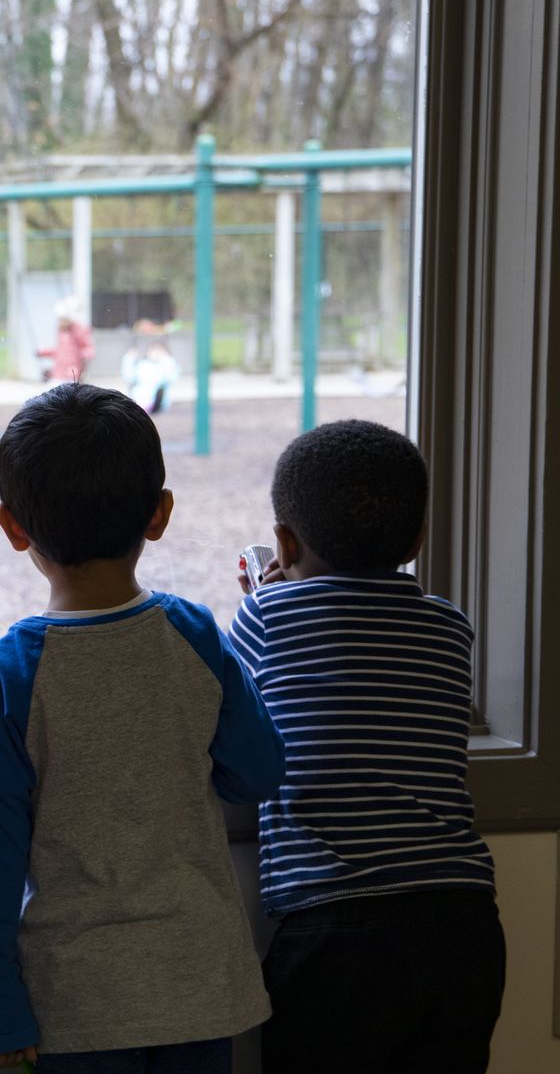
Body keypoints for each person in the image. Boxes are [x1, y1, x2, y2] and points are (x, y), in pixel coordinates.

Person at [0, 383, 285, 1072]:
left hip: (75, 1006)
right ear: (160, 514)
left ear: (13, 527)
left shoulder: (8, 673)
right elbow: (256, 771)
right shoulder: (193, 634)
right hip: (200, 986)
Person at [233, 420, 503, 1073]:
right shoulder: (450, 627)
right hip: (462, 923)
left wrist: (262, 599)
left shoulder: (265, 616)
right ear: (417, 538)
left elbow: (232, 713)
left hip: (333, 930)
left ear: (284, 541)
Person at [39, 296, 95, 383]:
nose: (59, 322)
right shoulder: (62, 332)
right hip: (58, 374)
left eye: (62, 319)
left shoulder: (80, 331)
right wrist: (42, 352)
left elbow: (88, 350)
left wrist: (84, 356)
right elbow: (60, 351)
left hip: (71, 375)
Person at [124, 340, 179, 414]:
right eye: (153, 350)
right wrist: (129, 359)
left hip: (157, 402)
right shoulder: (142, 365)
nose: (156, 353)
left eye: (159, 350)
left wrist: (167, 360)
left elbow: (172, 378)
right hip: (140, 399)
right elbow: (129, 377)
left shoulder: (164, 366)